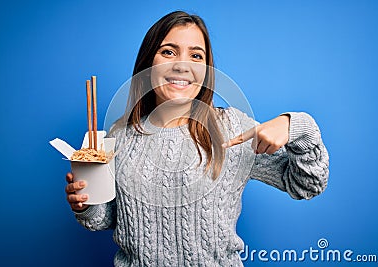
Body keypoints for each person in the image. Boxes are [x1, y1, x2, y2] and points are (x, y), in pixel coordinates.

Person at [64, 11, 329, 266]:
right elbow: (105, 219)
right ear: (148, 63)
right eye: (168, 51)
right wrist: (84, 205)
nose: (182, 65)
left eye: (196, 55)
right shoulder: (119, 135)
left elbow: (307, 185)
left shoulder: (231, 127)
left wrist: (297, 126)